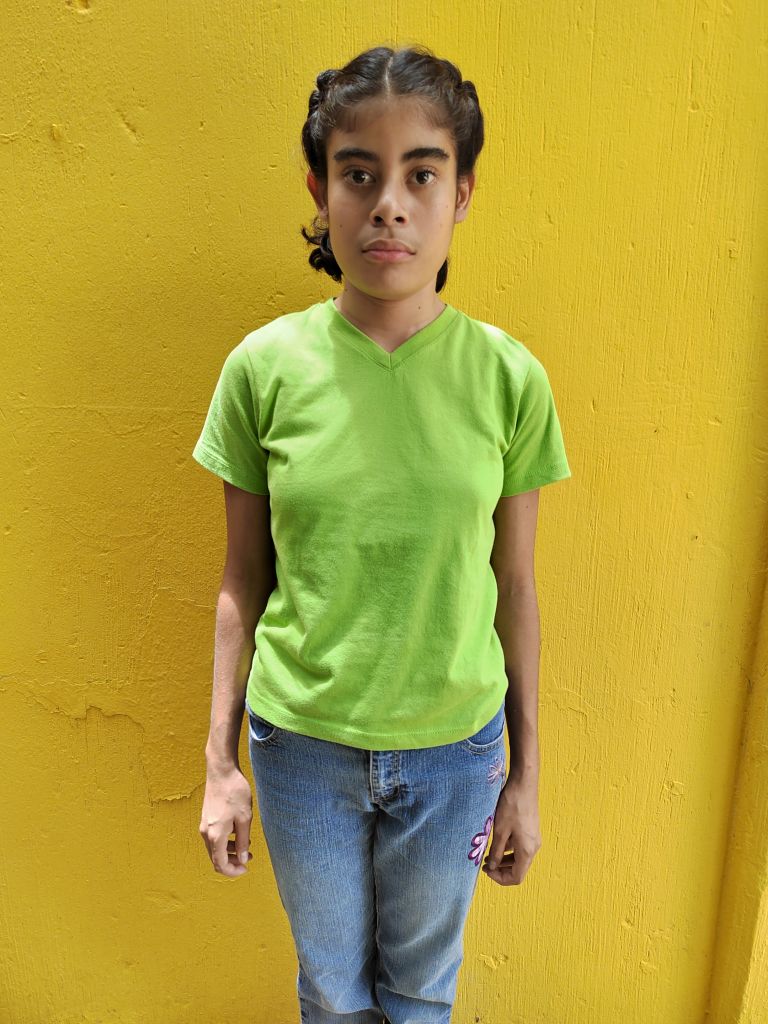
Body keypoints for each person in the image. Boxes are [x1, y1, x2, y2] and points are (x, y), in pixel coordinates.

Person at [194, 43, 571, 1024]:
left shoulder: (508, 379)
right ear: (321, 191)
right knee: (330, 989)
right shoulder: (263, 370)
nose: (389, 205)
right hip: (301, 747)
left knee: (419, 993)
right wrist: (220, 765)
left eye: (422, 174)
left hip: (455, 751)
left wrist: (527, 778)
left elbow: (516, 586)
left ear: (463, 192)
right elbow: (242, 579)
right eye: (359, 174)